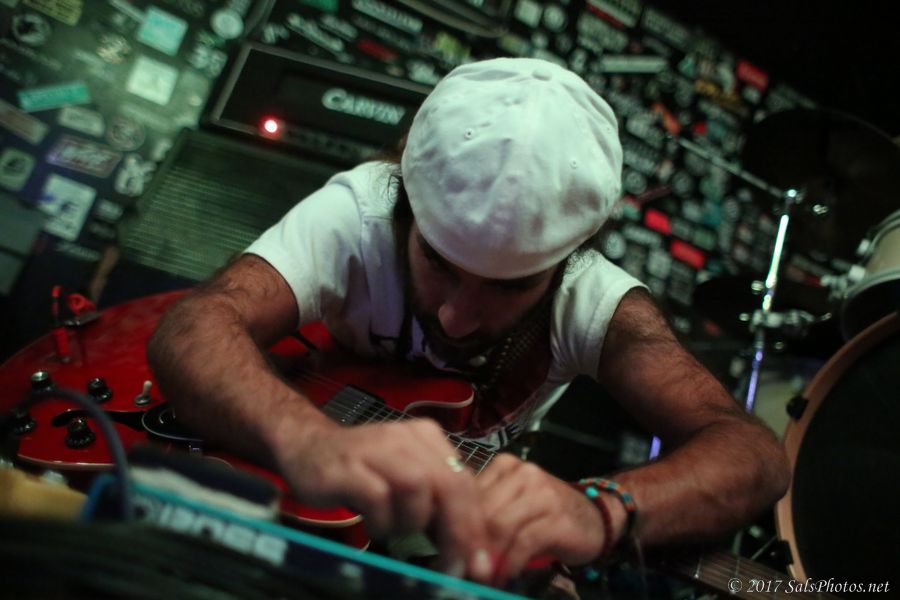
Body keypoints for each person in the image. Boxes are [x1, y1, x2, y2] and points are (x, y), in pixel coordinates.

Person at [147, 58, 790, 587]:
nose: (456, 318)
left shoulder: (596, 299)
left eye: (510, 287)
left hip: (433, 521)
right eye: (437, 262)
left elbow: (754, 455)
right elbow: (195, 326)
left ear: (567, 263)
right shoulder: (361, 209)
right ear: (404, 206)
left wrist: (600, 511)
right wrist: (310, 441)